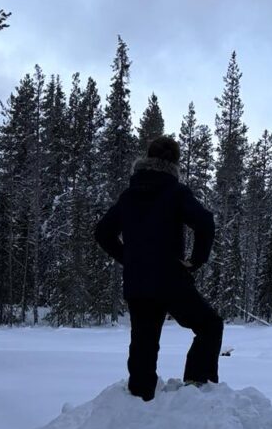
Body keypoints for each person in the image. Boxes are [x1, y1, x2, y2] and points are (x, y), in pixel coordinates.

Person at [94, 135, 223, 401]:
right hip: (170, 279)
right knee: (209, 326)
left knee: (144, 345)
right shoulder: (175, 192)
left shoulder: (129, 195)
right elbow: (205, 223)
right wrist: (195, 261)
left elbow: (103, 233)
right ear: (173, 163)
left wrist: (129, 259)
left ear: (146, 159)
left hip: (139, 282)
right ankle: (197, 391)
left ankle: (140, 403)